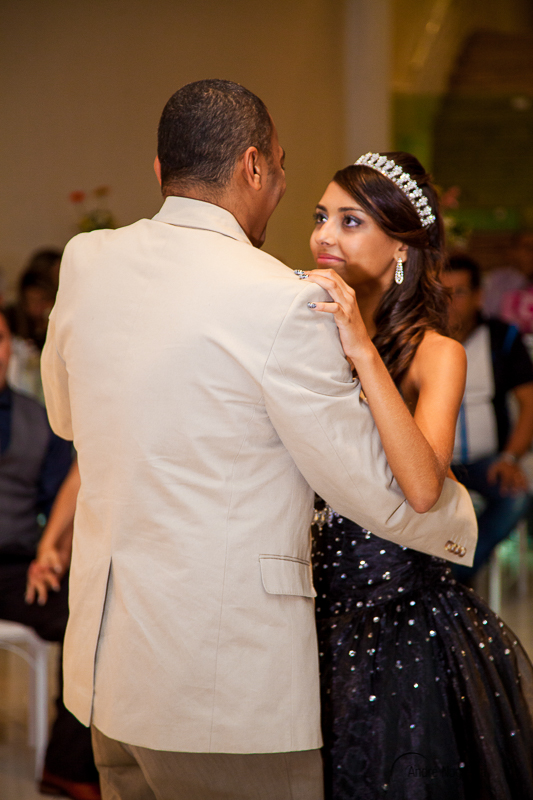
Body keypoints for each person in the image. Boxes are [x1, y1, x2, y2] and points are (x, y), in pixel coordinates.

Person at [40, 81, 476, 800]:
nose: (313, 224)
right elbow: (379, 488)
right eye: (282, 172)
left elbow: (67, 418)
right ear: (252, 167)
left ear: (159, 172)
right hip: (222, 687)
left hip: (108, 666)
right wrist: (456, 527)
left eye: (351, 219)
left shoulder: (87, 260)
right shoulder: (281, 299)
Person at [306, 152, 533, 800]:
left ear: (401, 246)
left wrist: (360, 349)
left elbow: (422, 485)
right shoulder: (304, 337)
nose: (325, 235)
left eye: (349, 221)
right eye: (321, 216)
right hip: (309, 609)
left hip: (399, 621)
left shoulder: (439, 354)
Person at [0, 310, 100, 800]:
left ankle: (67, 765)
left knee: (88, 615)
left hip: (14, 567)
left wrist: (52, 554)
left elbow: (63, 496)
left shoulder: (37, 419)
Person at [442, 254, 533, 577]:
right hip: (433, 465)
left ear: (479, 295)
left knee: (516, 498)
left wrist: (509, 457)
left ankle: (455, 575)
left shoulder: (503, 338)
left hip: (485, 463)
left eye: (461, 292)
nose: (451, 302)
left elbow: (529, 403)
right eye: (443, 291)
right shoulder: (419, 339)